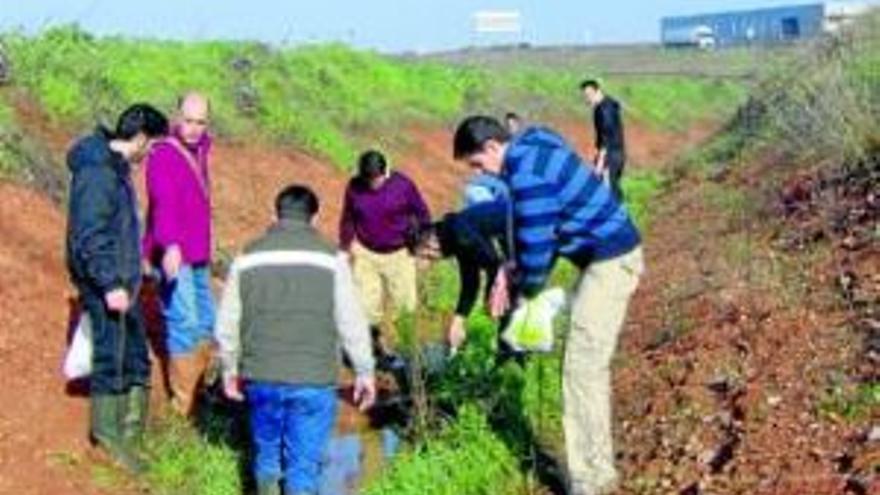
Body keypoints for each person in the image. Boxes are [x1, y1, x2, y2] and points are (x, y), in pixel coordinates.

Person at [453, 116, 643, 495]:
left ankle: (594, 482)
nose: (481, 174)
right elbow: (545, 231)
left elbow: (538, 246)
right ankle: (595, 470)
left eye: (477, 164)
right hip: (608, 255)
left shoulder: (525, 174)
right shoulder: (536, 144)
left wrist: (522, 289)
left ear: (493, 147)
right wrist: (512, 269)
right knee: (583, 365)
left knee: (581, 370)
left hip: (610, 261)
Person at [215, 184, 376, 495]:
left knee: (266, 455)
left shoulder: (247, 257)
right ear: (315, 218)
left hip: (261, 375)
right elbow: (351, 322)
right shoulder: (332, 259)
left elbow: (227, 322)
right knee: (303, 467)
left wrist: (229, 368)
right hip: (314, 378)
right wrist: (364, 371)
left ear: (273, 215)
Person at [65, 103, 169, 472]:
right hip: (106, 284)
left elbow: (117, 228)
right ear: (140, 139)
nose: (151, 153)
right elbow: (89, 235)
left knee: (136, 357)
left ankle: (133, 435)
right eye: (153, 146)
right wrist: (109, 282)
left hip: (124, 280)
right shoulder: (97, 172)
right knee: (111, 357)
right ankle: (109, 439)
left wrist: (134, 266)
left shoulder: (116, 169)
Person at [143, 92, 215, 416]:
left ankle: (199, 393)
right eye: (188, 121)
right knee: (183, 321)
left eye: (200, 122)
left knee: (206, 321)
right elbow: (163, 202)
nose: (194, 128)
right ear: (176, 118)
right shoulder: (163, 154)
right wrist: (169, 245)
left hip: (198, 249)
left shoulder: (201, 149)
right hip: (174, 252)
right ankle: (181, 408)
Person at [338, 150, 430, 362]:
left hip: (400, 253)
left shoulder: (403, 185)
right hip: (366, 252)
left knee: (405, 306)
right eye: (367, 179)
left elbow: (423, 214)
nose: (372, 183)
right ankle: (371, 347)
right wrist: (346, 245)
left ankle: (408, 355)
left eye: (376, 179)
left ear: (385, 172)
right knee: (365, 307)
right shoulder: (354, 187)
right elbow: (348, 217)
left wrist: (423, 250)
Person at [407, 200, 509, 351]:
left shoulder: (459, 233)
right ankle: (505, 352)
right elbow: (470, 282)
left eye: (427, 256)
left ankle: (508, 356)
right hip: (517, 231)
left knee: (506, 300)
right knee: (502, 299)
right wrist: (459, 320)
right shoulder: (455, 234)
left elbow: (494, 263)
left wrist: (491, 295)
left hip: (529, 223)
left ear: (431, 241)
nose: (433, 261)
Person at [581, 79, 626, 200]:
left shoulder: (605, 110)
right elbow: (600, 137)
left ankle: (618, 216)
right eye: (585, 96)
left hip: (611, 155)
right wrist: (596, 154)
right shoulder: (601, 107)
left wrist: (600, 162)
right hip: (612, 154)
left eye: (589, 95)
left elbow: (607, 137)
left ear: (598, 91)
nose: (587, 98)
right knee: (608, 189)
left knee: (609, 193)